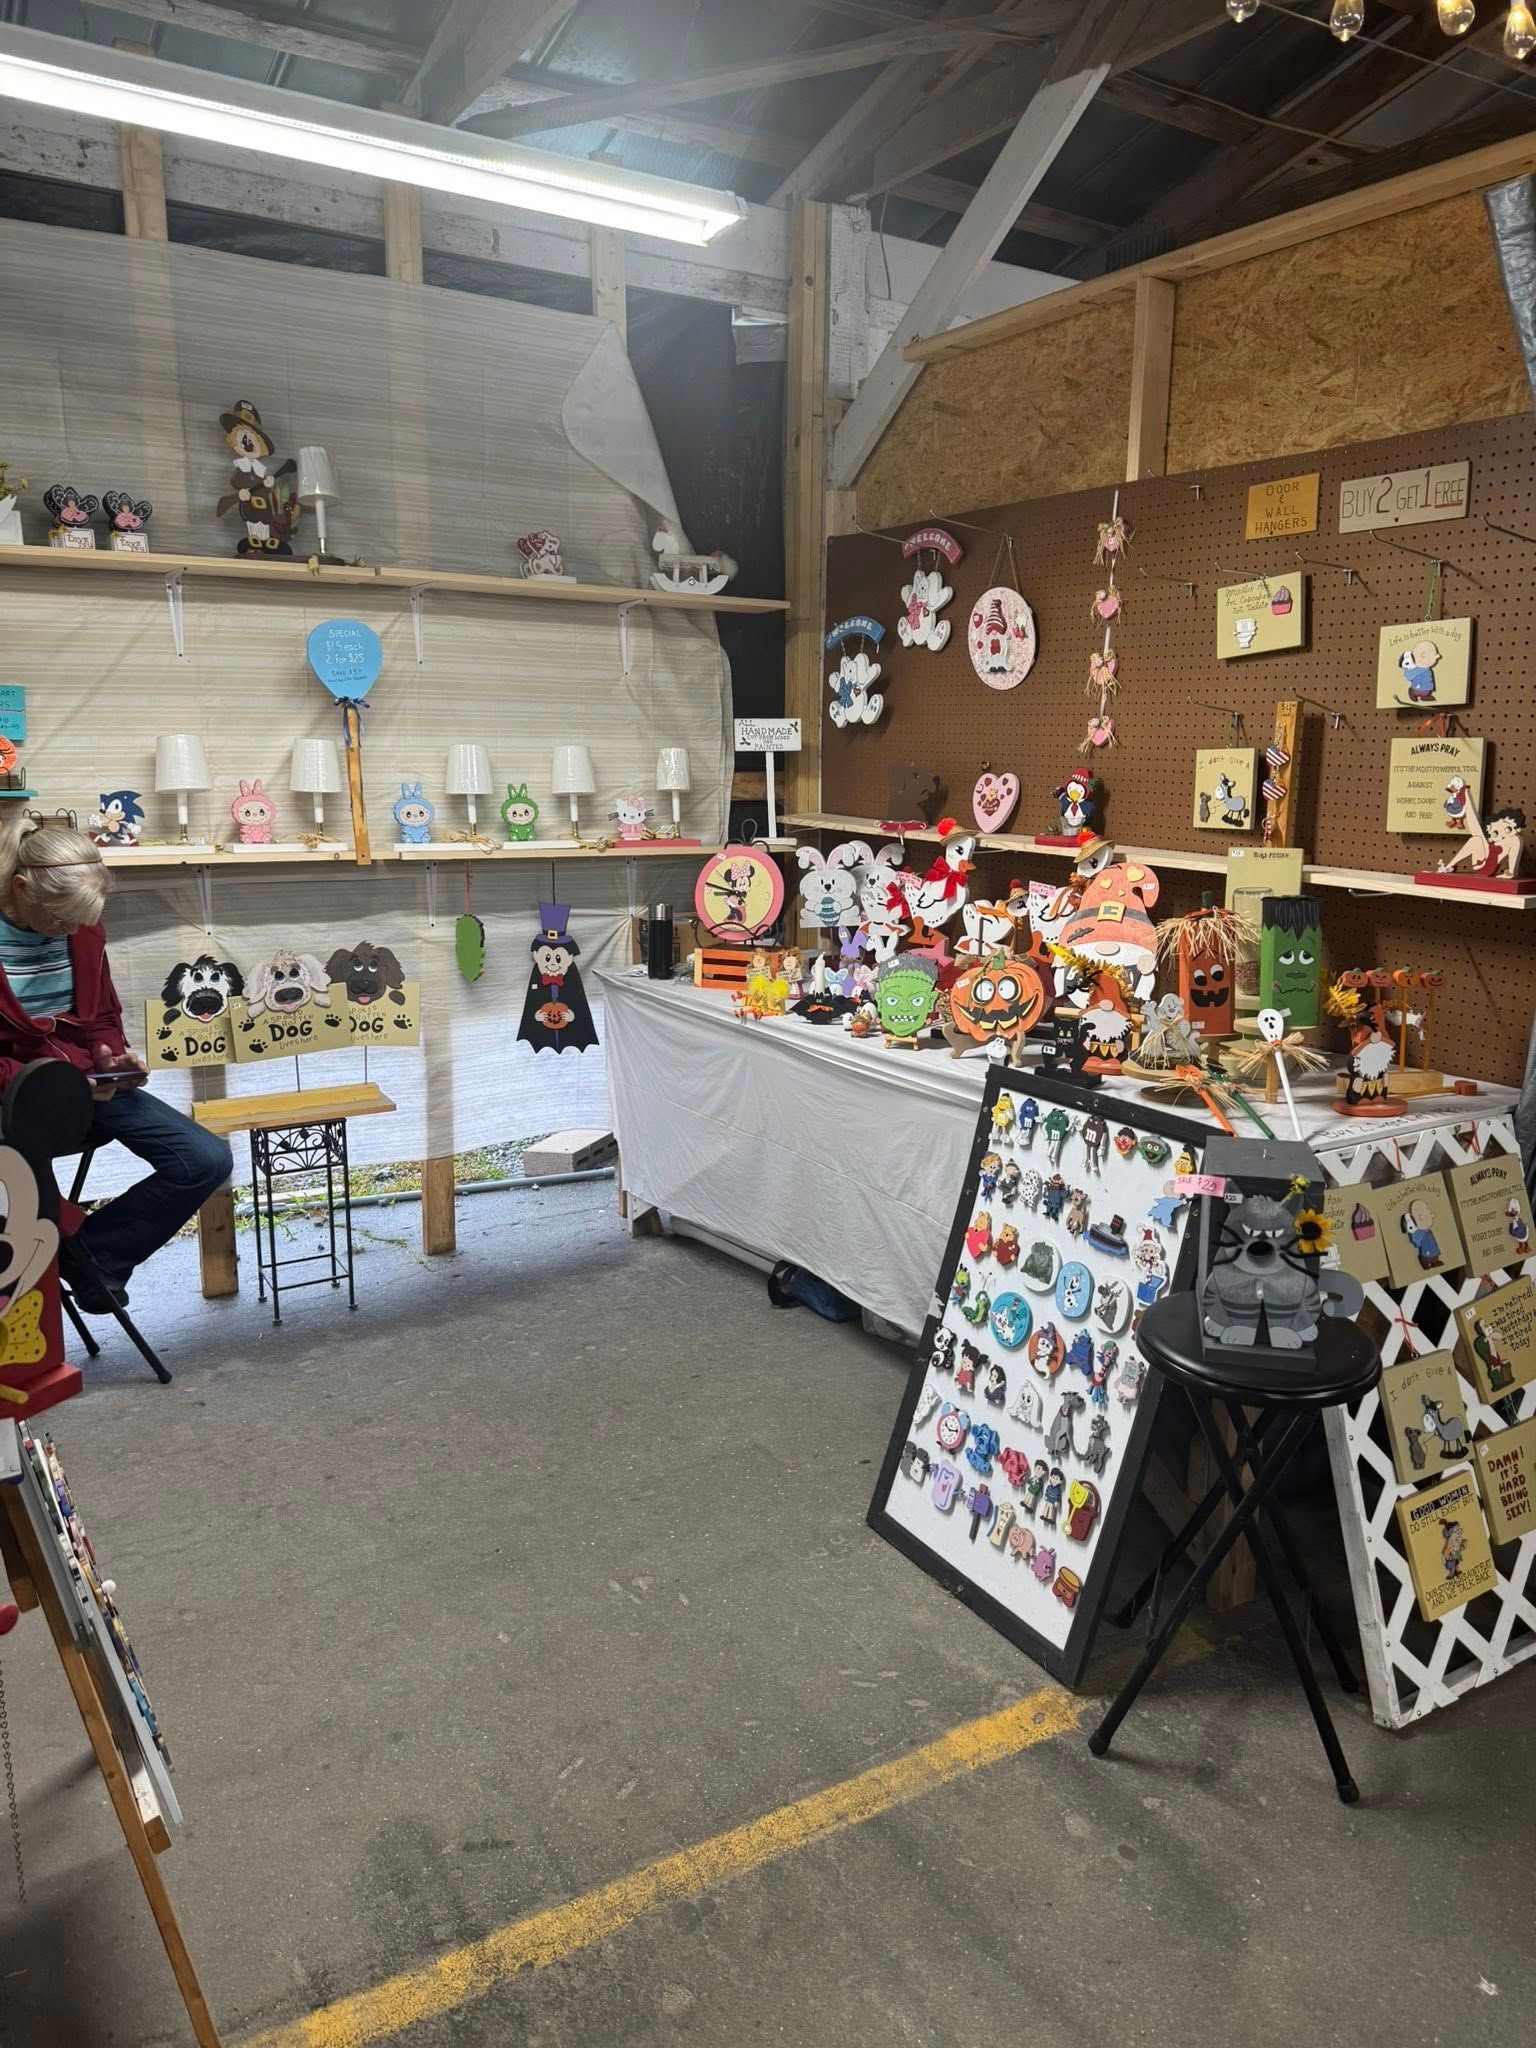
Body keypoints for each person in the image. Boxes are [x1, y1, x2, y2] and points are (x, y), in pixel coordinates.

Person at [0, 814, 232, 1310]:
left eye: (81, 920)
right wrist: (51, 1085)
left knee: (205, 1160)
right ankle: (51, 1262)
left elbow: (101, 1015)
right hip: (12, 1092)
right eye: (60, 919)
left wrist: (111, 1057)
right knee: (24, 1198)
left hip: (81, 1081)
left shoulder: (82, 931)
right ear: (21, 888)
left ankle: (90, 1254)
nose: (70, 930)